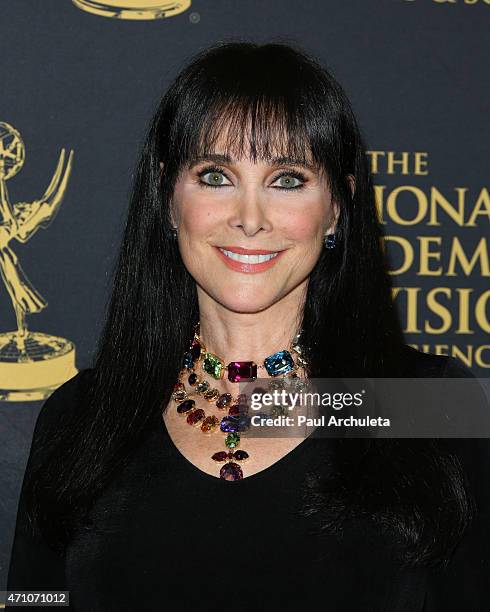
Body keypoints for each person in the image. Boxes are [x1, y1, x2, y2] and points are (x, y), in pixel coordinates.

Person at [6, 41, 490, 611]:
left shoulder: (426, 404)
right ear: (168, 197)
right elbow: (31, 600)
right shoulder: (82, 416)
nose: (249, 219)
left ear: (337, 206)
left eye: (287, 179)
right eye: (216, 176)